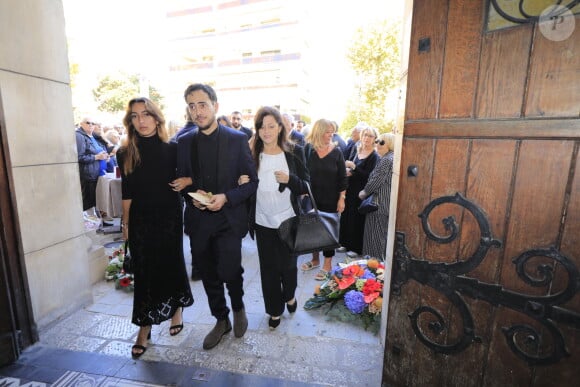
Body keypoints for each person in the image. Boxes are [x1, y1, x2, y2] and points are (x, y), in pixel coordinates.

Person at [177, 83, 258, 350]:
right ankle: (221, 320)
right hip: (199, 221)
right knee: (208, 273)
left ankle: (238, 307)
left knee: (230, 269)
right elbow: (185, 182)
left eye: (202, 104)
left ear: (215, 106)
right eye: (191, 105)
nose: (197, 111)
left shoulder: (236, 139)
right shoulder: (185, 141)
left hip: (228, 219)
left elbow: (251, 183)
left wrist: (227, 197)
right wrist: (193, 195)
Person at [116, 97, 194, 359]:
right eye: (136, 116)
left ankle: (176, 310)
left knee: (170, 262)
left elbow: (192, 177)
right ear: (131, 122)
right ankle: (144, 327)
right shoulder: (124, 152)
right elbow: (127, 192)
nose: (142, 121)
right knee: (145, 271)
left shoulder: (173, 148)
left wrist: (188, 180)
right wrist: (125, 224)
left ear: (157, 118)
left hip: (169, 216)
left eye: (146, 114)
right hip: (140, 218)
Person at [245, 106, 309, 329]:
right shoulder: (251, 153)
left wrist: (290, 179)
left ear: (280, 127)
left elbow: (306, 186)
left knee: (288, 266)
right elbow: (247, 184)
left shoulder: (294, 152)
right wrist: (242, 182)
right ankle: (274, 309)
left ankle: (289, 294)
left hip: (288, 220)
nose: (266, 131)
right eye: (262, 126)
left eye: (271, 126)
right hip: (262, 221)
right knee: (269, 269)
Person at [301, 119, 348, 281]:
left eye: (332, 131)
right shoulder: (308, 149)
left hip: (331, 198)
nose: (331, 134)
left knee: (329, 231)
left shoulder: (337, 152)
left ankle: (327, 265)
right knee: (313, 231)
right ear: (319, 132)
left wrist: (342, 199)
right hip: (311, 198)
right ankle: (315, 260)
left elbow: (343, 179)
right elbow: (302, 173)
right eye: (328, 131)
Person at [339, 126, 379, 256]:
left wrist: (354, 168)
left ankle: (356, 248)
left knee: (357, 219)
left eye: (370, 136)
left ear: (374, 139)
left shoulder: (375, 155)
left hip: (362, 192)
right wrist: (349, 171)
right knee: (346, 216)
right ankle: (344, 243)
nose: (366, 138)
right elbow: (352, 168)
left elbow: (370, 176)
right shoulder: (357, 150)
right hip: (350, 189)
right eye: (365, 135)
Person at [359, 133, 395, 261]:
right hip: (383, 204)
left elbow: (376, 180)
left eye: (381, 142)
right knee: (379, 237)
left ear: (390, 144)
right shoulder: (390, 157)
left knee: (375, 239)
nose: (377, 144)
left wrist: (364, 192)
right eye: (377, 141)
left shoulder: (386, 159)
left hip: (378, 205)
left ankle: (373, 268)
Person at [75, 117, 111, 214]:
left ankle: (99, 222)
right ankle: (92, 227)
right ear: (81, 124)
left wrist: (105, 157)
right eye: (88, 123)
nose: (91, 125)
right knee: (89, 204)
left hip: (98, 174)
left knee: (97, 201)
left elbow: (99, 152)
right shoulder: (79, 136)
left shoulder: (92, 136)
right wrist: (97, 157)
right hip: (88, 176)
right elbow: (79, 157)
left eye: (93, 123)